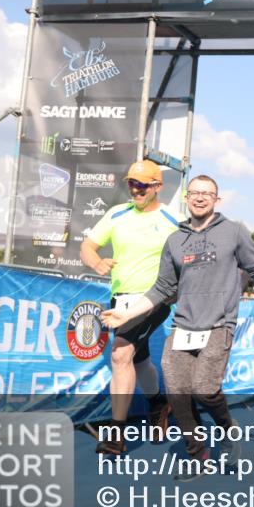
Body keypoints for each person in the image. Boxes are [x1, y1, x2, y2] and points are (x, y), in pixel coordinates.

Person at [102, 175, 254, 476]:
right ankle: (197, 455)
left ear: (216, 200)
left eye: (207, 193)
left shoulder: (234, 231)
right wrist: (126, 314)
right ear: (186, 197)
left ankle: (227, 430)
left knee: (205, 390)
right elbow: (162, 287)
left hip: (219, 325)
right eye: (195, 192)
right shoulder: (175, 240)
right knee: (177, 392)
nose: (200, 197)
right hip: (183, 327)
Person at [80, 160, 179, 455]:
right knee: (138, 360)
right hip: (120, 299)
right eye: (132, 184)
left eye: (143, 185)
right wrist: (97, 262)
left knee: (121, 353)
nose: (136, 190)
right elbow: (87, 247)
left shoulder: (173, 219)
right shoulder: (117, 213)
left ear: (158, 186)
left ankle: (115, 435)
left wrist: (180, 288)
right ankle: (159, 403)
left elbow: (190, 257)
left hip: (154, 299)